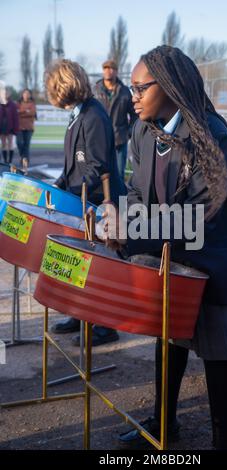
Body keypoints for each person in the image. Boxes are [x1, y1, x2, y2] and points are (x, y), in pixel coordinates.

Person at [97, 46, 227, 450]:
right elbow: (139, 192)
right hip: (176, 255)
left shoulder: (209, 134)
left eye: (141, 87)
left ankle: (223, 443)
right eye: (131, 88)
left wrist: (133, 232)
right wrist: (120, 217)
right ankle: (164, 425)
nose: (134, 96)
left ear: (170, 87)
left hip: (220, 260)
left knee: (218, 355)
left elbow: (202, 218)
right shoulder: (144, 130)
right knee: (170, 340)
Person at [45, 59, 126, 346]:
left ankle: (105, 327)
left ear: (66, 87)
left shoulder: (94, 116)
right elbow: (73, 166)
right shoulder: (79, 115)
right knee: (82, 263)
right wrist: (57, 186)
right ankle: (80, 314)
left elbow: (97, 166)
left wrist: (71, 191)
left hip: (101, 204)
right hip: (82, 201)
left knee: (100, 267)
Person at [94, 59, 136, 181]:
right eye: (105, 68)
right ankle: (100, 200)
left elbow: (134, 115)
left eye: (111, 68)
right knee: (98, 176)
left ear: (116, 71)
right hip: (99, 140)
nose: (108, 71)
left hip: (119, 141)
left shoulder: (125, 91)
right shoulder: (95, 90)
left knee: (118, 176)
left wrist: (128, 133)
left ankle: (120, 200)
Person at [16, 88, 36, 166]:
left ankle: (25, 163)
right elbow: (16, 113)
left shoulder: (32, 104)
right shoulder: (18, 103)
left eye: (28, 93)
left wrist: (21, 112)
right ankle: (23, 157)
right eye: (25, 93)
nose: (26, 95)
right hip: (19, 127)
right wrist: (26, 111)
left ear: (30, 95)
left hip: (29, 128)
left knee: (26, 145)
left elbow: (32, 113)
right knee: (19, 143)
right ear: (22, 94)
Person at [0, 87, 19, 163]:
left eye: (7, 93)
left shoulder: (13, 105)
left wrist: (15, 128)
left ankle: (10, 161)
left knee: (10, 144)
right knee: (3, 144)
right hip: (1, 126)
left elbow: (15, 117)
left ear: (9, 94)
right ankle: (5, 161)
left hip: (10, 126)